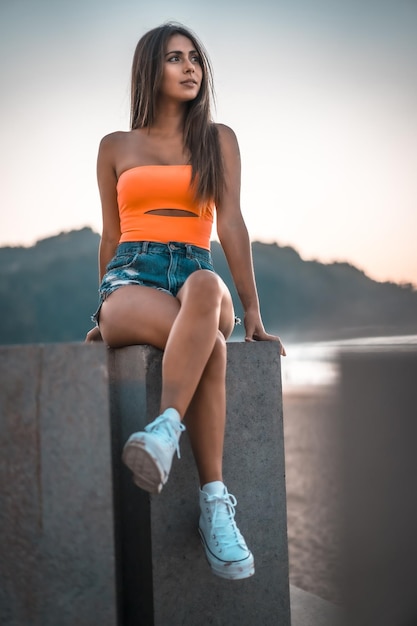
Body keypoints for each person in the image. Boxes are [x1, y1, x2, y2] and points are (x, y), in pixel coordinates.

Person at [85, 22, 285, 581]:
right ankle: (215, 504)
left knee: (203, 292)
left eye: (195, 58)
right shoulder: (114, 147)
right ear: (151, 69)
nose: (191, 67)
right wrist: (98, 315)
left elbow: (233, 224)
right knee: (208, 348)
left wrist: (253, 312)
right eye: (175, 58)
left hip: (197, 274)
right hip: (131, 274)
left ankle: (166, 428)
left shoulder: (218, 139)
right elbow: (108, 234)